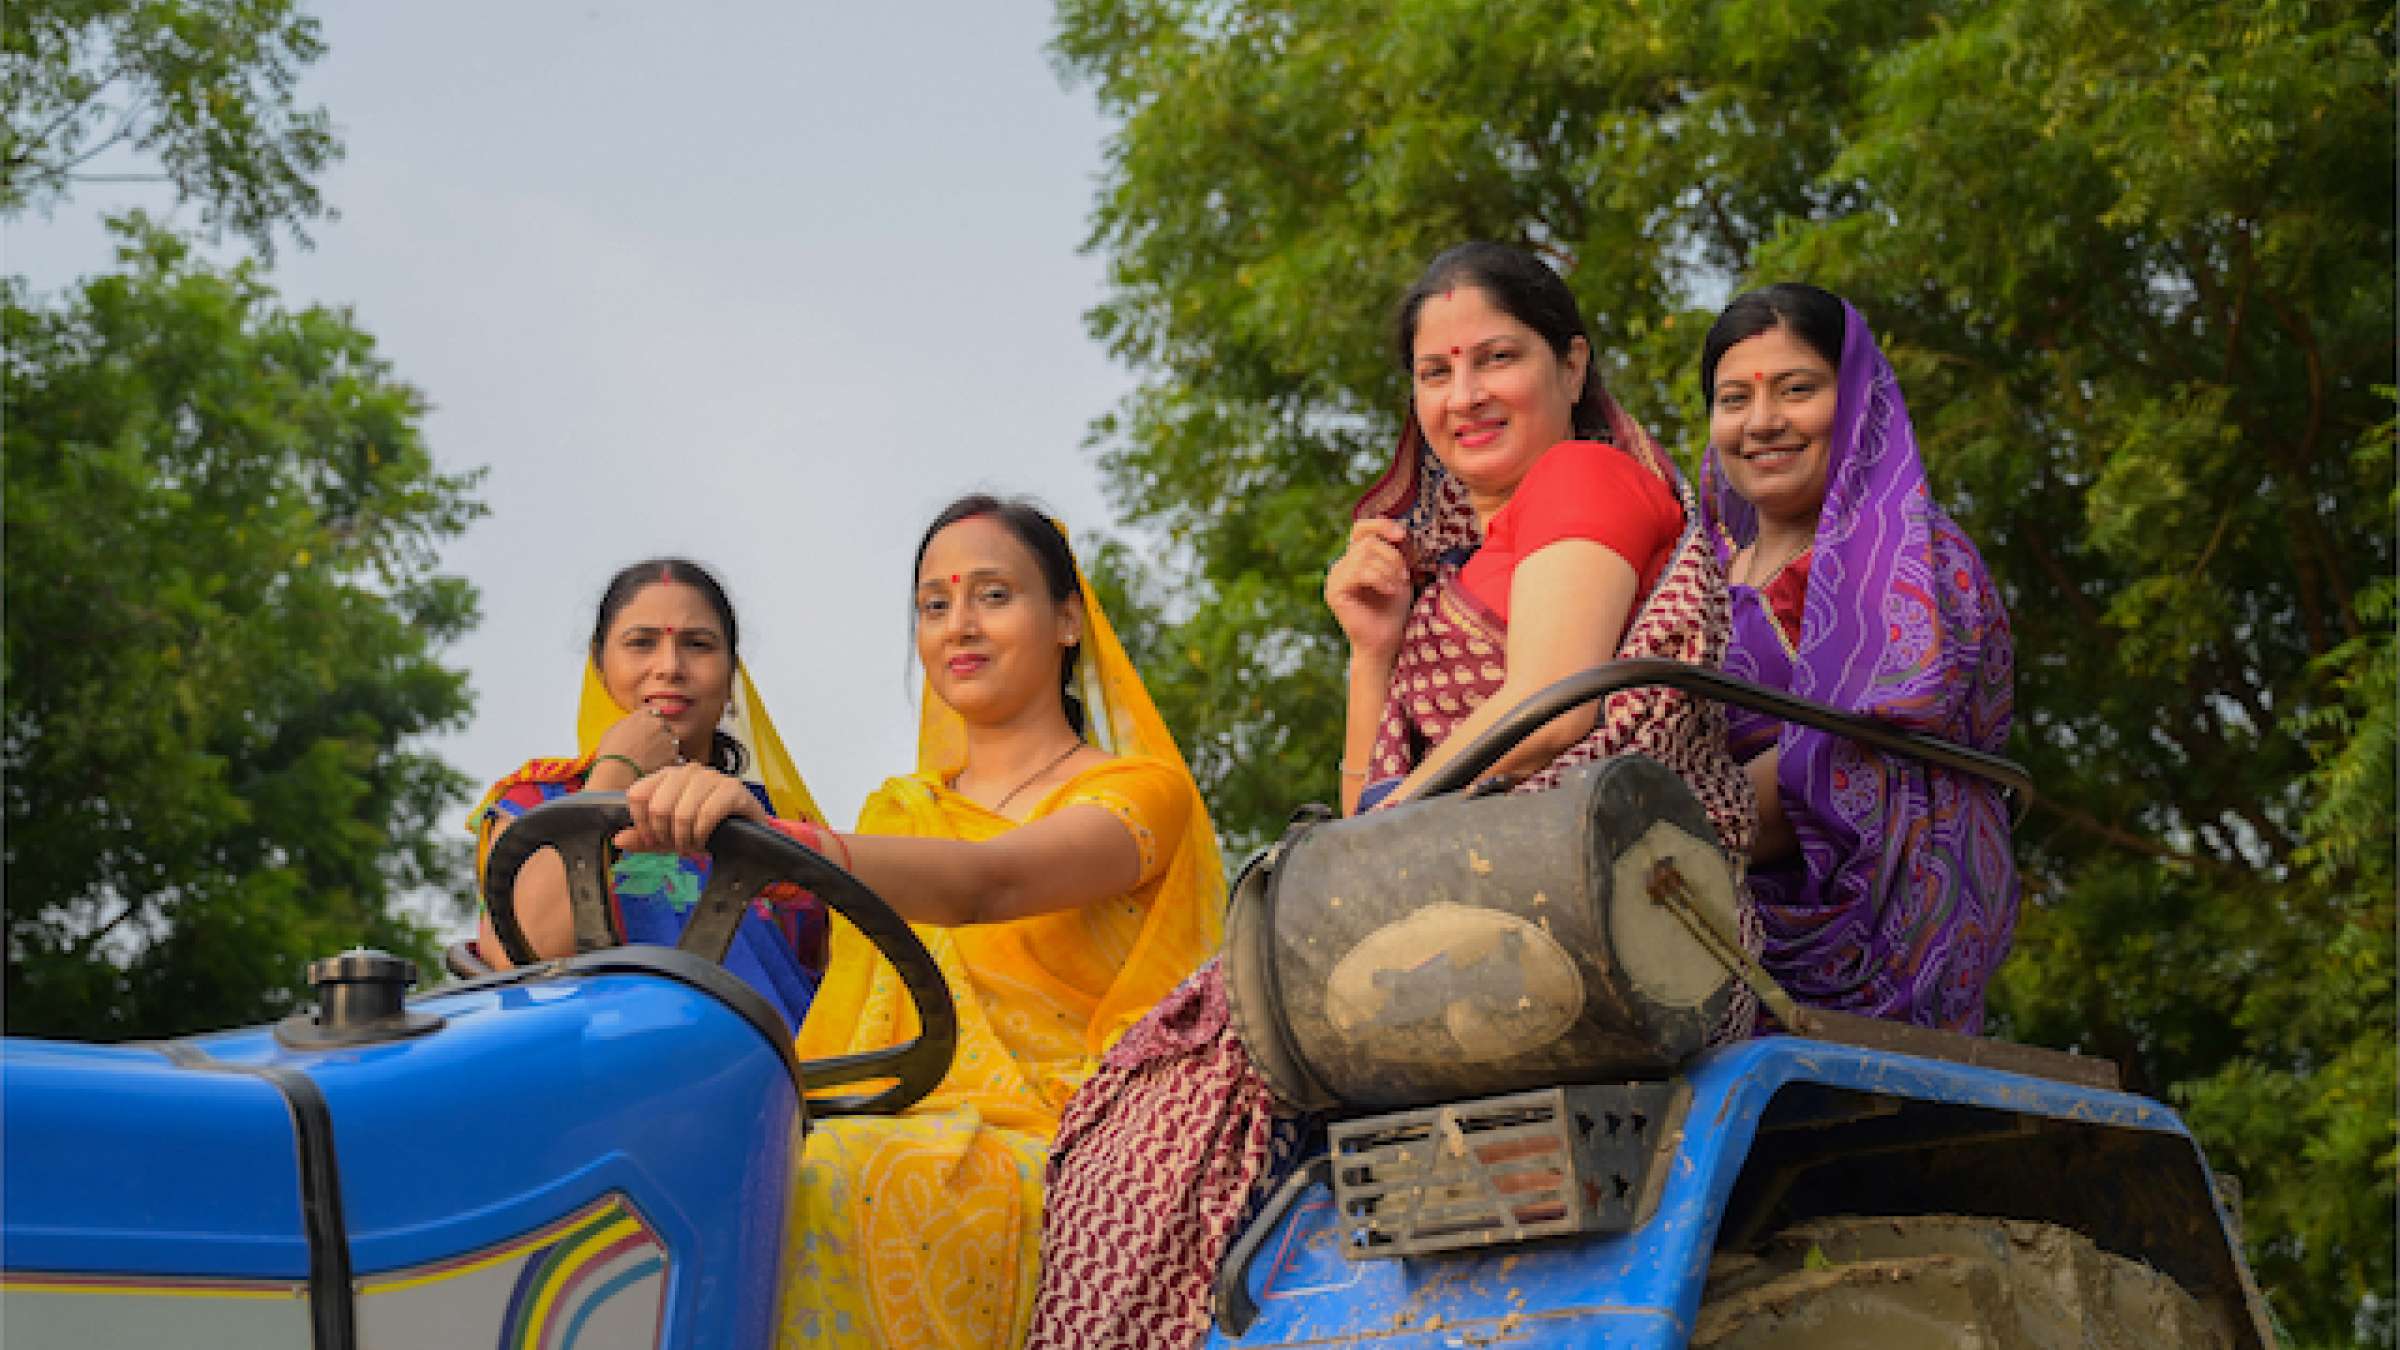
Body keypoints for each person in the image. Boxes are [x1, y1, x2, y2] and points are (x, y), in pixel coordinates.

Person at [1026, 242, 1756, 1349]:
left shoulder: (1584, 478)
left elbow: (1552, 712)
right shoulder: (1450, 561)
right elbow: (1370, 797)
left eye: (1495, 358)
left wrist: (1356, 846)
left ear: (1571, 364)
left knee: (1157, 1122)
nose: (1462, 397)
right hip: (1473, 886)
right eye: (1434, 372)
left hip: (1573, 891)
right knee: (1133, 1111)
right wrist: (1372, 650)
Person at [614, 496, 1224, 1349]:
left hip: (1074, 1137)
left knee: (822, 1177)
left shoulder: (1137, 791)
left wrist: (785, 843)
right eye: (934, 605)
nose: (959, 626)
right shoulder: (899, 814)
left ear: (1067, 620)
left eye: (993, 595)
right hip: (892, 1116)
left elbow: (989, 883)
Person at [1698, 283, 2020, 1033]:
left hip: (1881, 932)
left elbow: (1852, 753)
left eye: (1797, 390)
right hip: (1719, 905)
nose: (1763, 422)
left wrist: (1665, 828)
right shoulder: (1697, 578)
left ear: (1858, 401)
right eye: (1734, 397)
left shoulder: (1909, 555)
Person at [466, 557, 831, 1031]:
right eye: (641, 644)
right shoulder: (537, 801)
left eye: (697, 646)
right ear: (600, 666)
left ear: (731, 680)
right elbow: (527, 951)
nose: (670, 667)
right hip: (603, 1081)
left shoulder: (775, 821)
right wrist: (618, 771)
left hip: (786, 1087)